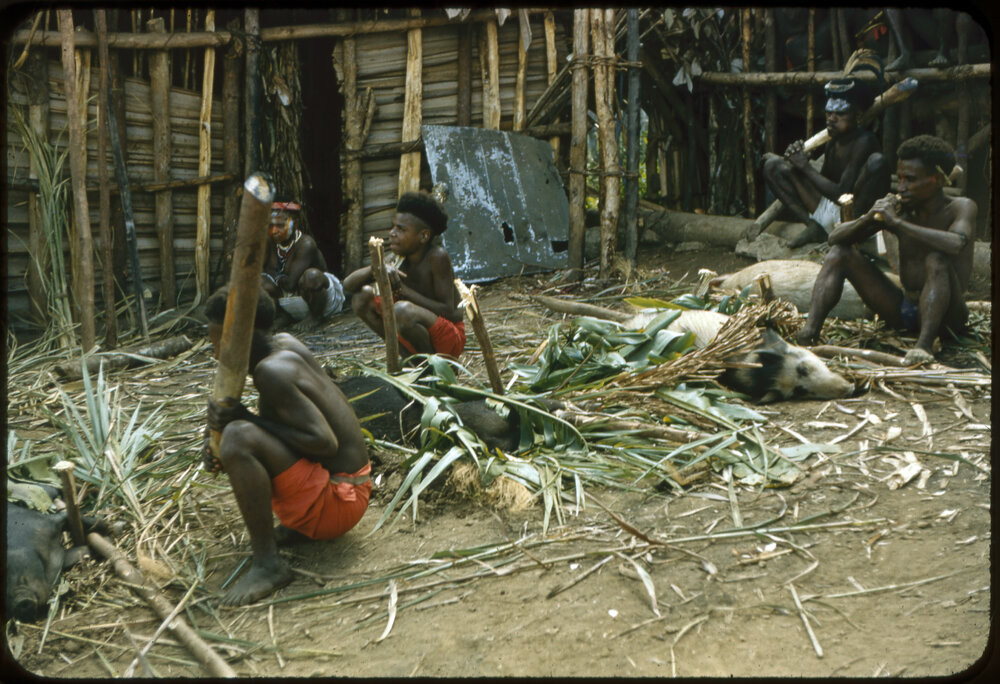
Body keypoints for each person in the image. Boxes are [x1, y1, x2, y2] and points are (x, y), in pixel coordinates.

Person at [202, 286, 371, 605]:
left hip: (340, 500)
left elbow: (323, 440)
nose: (214, 353)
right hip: (352, 486)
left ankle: (269, 564)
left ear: (241, 336)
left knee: (239, 435)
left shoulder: (270, 371)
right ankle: (298, 531)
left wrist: (245, 420)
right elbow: (289, 428)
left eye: (218, 342)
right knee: (240, 429)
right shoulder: (282, 344)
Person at [795, 135, 976, 366]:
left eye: (910, 180)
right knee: (840, 254)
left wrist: (898, 224)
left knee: (936, 258)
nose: (901, 187)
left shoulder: (961, 207)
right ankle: (808, 334)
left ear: (937, 179)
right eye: (899, 178)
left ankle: (923, 345)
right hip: (904, 308)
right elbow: (834, 239)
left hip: (949, 318)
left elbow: (956, 243)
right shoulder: (900, 209)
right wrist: (869, 217)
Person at [762, 77, 891, 248]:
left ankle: (846, 236)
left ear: (858, 115)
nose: (831, 119)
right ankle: (814, 227)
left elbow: (842, 195)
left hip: (853, 219)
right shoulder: (832, 141)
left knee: (878, 162)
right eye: (829, 113)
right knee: (772, 167)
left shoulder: (864, 142)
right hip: (827, 211)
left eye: (840, 114)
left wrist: (805, 167)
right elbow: (823, 185)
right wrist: (799, 164)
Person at [343, 191, 466, 359]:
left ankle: (437, 368)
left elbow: (451, 312)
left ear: (423, 236)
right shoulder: (397, 258)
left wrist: (402, 291)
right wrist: (376, 269)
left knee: (402, 310)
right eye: (393, 227)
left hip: (448, 337)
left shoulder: (436, 257)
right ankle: (409, 359)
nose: (392, 233)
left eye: (401, 229)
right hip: (412, 331)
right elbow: (348, 286)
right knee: (361, 298)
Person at [261, 196, 345, 326]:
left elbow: (290, 284)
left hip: (321, 303)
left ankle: (315, 317)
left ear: (296, 223)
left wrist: (272, 274)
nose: (274, 231)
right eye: (271, 226)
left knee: (311, 276)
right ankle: (283, 316)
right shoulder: (271, 242)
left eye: (280, 225)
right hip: (289, 302)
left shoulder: (306, 244)